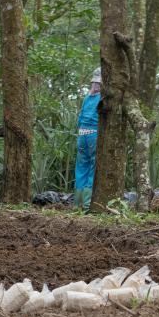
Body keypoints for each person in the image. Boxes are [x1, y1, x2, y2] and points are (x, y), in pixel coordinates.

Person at [74, 67, 101, 210]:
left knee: (81, 168)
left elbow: (80, 118)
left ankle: (77, 204)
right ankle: (86, 205)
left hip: (82, 134)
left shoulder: (87, 97)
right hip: (93, 134)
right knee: (92, 168)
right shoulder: (102, 98)